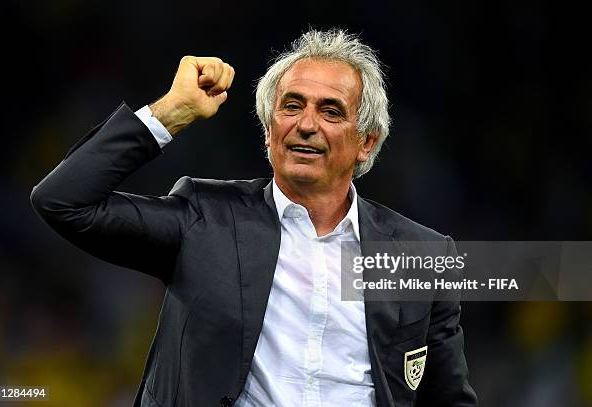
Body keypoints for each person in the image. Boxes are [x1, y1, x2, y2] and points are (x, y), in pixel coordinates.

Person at [31, 29, 477, 407]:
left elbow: (447, 397)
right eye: (291, 105)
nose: (306, 124)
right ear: (268, 132)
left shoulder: (421, 255)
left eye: (330, 111)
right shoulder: (205, 219)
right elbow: (63, 202)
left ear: (367, 142)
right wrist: (170, 112)